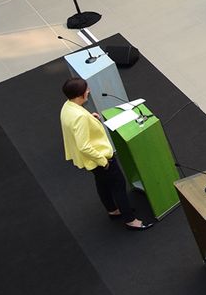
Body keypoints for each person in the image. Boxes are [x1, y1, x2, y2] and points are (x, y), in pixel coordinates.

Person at [59, 77, 154, 231]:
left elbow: (76, 124)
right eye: (86, 90)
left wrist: (91, 118)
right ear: (79, 95)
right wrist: (103, 161)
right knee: (118, 186)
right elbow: (84, 145)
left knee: (102, 184)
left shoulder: (67, 106)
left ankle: (113, 210)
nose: (88, 91)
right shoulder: (81, 117)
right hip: (101, 159)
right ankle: (131, 220)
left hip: (91, 162)